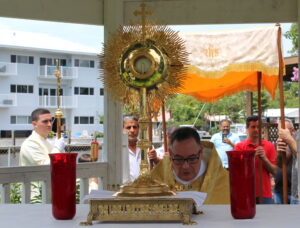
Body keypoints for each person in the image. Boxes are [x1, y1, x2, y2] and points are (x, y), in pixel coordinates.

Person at [151, 127, 230, 204]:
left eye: (192, 159)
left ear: (201, 152)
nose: (186, 166)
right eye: (179, 159)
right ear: (170, 154)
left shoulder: (224, 182)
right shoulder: (157, 178)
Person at [234, 116, 277, 204]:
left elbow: (275, 172)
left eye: (259, 127)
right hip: (245, 192)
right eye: (253, 127)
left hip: (264, 193)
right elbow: (237, 170)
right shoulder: (239, 147)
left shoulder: (269, 146)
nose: (256, 130)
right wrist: (252, 157)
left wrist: (265, 159)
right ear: (247, 128)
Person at [276, 120, 298, 204]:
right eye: (280, 131)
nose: (282, 133)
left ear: (292, 130)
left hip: (295, 191)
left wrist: (290, 140)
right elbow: (281, 164)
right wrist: (279, 152)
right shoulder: (281, 141)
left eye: (285, 130)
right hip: (279, 189)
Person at [123, 115, 141, 181]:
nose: (132, 130)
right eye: (128, 127)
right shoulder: (117, 149)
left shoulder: (147, 147)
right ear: (122, 129)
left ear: (138, 129)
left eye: (135, 127)